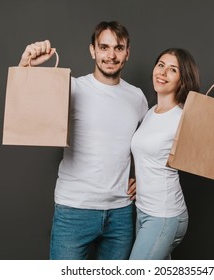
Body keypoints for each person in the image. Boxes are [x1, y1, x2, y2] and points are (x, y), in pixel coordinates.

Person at [18, 21, 148, 259]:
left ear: (127, 53)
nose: (111, 55)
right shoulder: (73, 87)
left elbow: (152, 144)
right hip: (74, 210)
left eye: (118, 48)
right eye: (104, 47)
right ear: (93, 50)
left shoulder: (137, 97)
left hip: (121, 214)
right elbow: (26, 104)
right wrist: (26, 65)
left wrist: (143, 179)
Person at [129, 48, 214, 259]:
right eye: (161, 65)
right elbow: (149, 156)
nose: (162, 73)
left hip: (164, 216)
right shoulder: (150, 112)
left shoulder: (184, 118)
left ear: (182, 80)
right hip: (143, 211)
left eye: (172, 70)